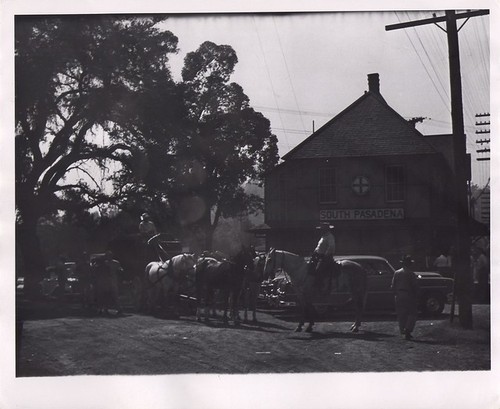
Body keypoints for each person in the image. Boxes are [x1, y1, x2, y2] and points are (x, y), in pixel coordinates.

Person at [391, 255, 420, 340]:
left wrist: (396, 294)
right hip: (408, 294)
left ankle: (403, 330)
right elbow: (415, 286)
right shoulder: (411, 274)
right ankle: (408, 329)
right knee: (412, 313)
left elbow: (393, 286)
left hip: (399, 294)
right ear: (409, 264)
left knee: (401, 314)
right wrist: (417, 295)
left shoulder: (397, 272)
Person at [310, 223, 336, 293]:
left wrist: (325, 255)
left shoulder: (330, 236)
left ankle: (320, 286)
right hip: (319, 256)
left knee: (319, 269)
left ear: (326, 229)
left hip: (326, 257)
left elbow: (331, 247)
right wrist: (314, 253)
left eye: (323, 229)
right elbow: (318, 247)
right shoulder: (323, 237)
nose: (321, 230)